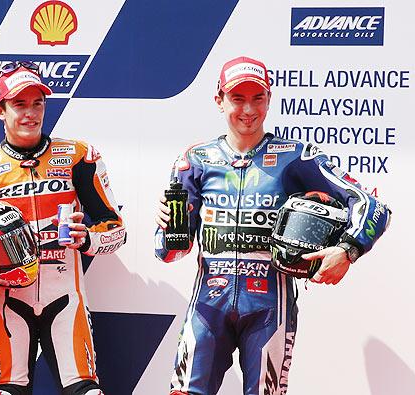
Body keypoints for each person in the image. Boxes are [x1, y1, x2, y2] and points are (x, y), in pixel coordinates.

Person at [154, 56, 390, 395]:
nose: (248, 109)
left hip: (269, 307)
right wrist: (166, 228)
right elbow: (169, 252)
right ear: (219, 100)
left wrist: (347, 250)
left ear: (269, 99)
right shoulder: (196, 160)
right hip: (207, 304)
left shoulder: (295, 156)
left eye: (257, 98)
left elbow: (373, 206)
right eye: (238, 98)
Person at [0, 61, 126, 394]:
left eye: (37, 103)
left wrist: (87, 238)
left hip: (66, 295)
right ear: (0, 109)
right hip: (7, 298)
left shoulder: (77, 156)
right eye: (19, 104)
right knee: (7, 390)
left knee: (86, 390)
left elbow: (116, 229)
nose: (30, 113)